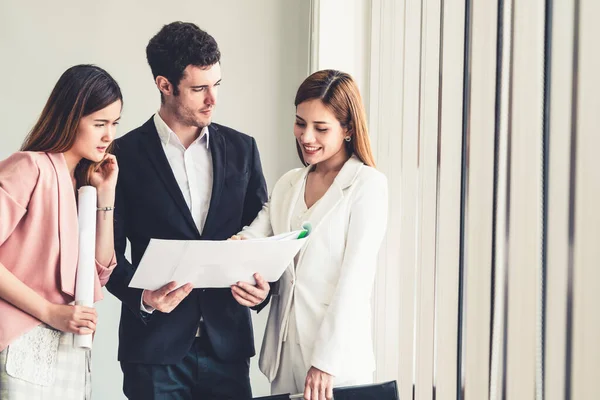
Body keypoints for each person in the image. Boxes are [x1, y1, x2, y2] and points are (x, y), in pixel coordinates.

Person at [106, 21, 269, 399]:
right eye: (199, 89)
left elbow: (262, 232)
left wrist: (264, 287)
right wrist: (143, 298)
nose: (213, 99)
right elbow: (107, 255)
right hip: (153, 350)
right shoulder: (121, 156)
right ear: (164, 85)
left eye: (216, 85)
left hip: (227, 346)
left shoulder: (243, 149)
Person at [234, 70, 388, 400]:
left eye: (321, 128)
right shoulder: (289, 183)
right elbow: (256, 236)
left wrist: (325, 362)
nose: (306, 136)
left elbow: (355, 280)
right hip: (285, 353)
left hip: (336, 361)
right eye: (300, 123)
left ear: (347, 129)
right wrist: (238, 250)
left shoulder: (367, 186)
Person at [0, 64, 121, 400]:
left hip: (70, 349)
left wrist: (105, 195)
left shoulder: (80, 185)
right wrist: (50, 312)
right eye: (99, 124)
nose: (109, 135)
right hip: (20, 341)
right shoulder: (30, 167)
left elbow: (100, 273)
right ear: (71, 118)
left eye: (114, 123)